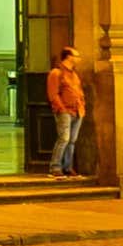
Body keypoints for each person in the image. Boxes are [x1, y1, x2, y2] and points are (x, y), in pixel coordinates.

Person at [42, 45, 91, 177]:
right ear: (69, 57)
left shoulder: (74, 75)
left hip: (77, 111)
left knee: (72, 140)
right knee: (64, 138)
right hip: (65, 111)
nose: (79, 59)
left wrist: (82, 105)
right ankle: (55, 167)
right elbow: (53, 94)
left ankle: (67, 167)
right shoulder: (56, 73)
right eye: (77, 56)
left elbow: (79, 92)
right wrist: (62, 108)